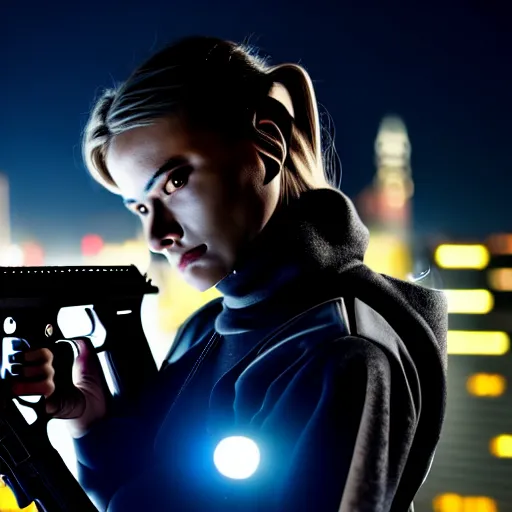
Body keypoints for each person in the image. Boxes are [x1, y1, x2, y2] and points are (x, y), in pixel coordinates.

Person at [11, 36, 448, 511]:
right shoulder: (203, 329)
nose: (157, 235)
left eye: (176, 181)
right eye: (140, 207)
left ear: (268, 143)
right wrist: (93, 425)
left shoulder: (341, 354)